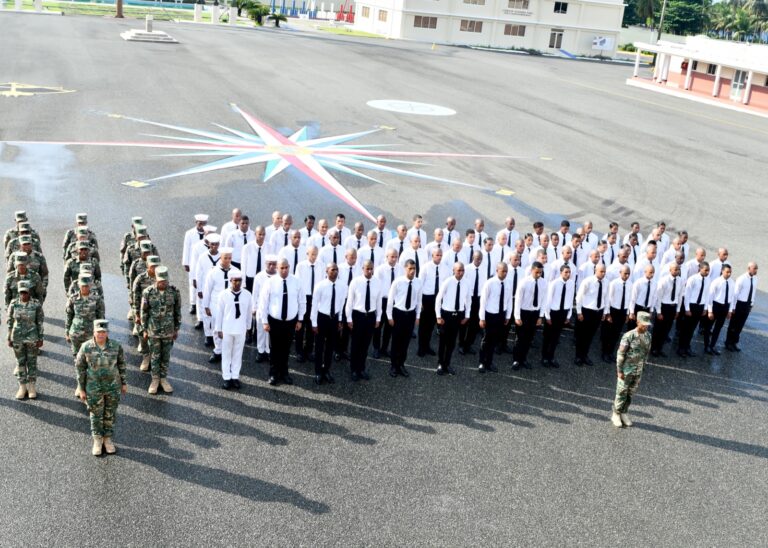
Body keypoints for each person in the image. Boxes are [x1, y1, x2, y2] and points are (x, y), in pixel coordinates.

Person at [76, 320, 127, 456]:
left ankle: (107, 439)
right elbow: (80, 368)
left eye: (103, 332)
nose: (101, 334)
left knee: (110, 413)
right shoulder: (86, 347)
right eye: (99, 332)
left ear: (107, 333)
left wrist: (124, 383)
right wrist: (81, 388)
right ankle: (97, 440)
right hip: (94, 387)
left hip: (112, 387)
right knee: (96, 414)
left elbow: (121, 365)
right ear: (94, 332)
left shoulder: (116, 346)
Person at [259, 258, 305, 386]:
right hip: (275, 321)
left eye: (286, 267)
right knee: (275, 348)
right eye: (281, 268)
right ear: (276, 268)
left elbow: (302, 301)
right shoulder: (270, 282)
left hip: (291, 322)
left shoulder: (296, 282)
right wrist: (264, 321)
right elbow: (263, 302)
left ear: (289, 267)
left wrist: (300, 319)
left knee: (286, 348)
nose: (284, 270)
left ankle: (284, 372)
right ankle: (273, 374)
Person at [141, 266, 181, 395]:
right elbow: (144, 312)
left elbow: (177, 312)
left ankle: (163, 379)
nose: (163, 283)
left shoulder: (174, 292)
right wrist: (144, 329)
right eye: (160, 281)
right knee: (155, 356)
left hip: (168, 330)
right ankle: (155, 379)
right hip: (153, 330)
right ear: (155, 280)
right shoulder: (148, 292)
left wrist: (176, 329)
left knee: (165, 356)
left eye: (165, 281)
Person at [65, 275, 105, 398]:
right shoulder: (73, 299)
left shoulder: (97, 299)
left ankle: (92, 384)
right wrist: (67, 331)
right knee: (78, 361)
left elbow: (101, 318)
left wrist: (101, 336)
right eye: (83, 286)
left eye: (87, 286)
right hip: (76, 334)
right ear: (79, 286)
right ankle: (80, 385)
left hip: (91, 334)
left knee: (92, 360)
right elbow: (69, 316)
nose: (85, 288)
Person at [611, 311, 652, 428]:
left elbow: (646, 353)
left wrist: (643, 366)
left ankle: (624, 412)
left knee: (631, 393)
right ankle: (616, 413)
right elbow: (620, 354)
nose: (646, 326)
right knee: (621, 392)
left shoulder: (648, 336)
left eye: (647, 325)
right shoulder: (628, 336)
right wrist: (619, 370)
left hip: (638, 370)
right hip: (626, 370)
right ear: (637, 322)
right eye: (644, 324)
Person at [345, 260, 383, 381]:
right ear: (362, 268)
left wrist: (378, 318)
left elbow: (378, 302)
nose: (370, 271)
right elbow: (349, 302)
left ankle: (361, 368)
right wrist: (349, 318)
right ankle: (354, 369)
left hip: (370, 316)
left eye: (371, 268)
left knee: (365, 345)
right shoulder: (355, 282)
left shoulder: (377, 282)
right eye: (367, 268)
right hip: (358, 315)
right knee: (356, 344)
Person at [6, 281, 44, 400]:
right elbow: (10, 322)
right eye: (21, 292)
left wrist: (40, 338)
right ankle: (22, 387)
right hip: (17, 337)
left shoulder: (36, 304)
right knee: (20, 363)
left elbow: (40, 322)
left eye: (25, 292)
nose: (23, 295)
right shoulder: (14, 304)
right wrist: (9, 337)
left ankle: (32, 386)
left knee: (32, 363)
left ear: (29, 292)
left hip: (32, 338)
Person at [202, 247, 240, 363]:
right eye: (225, 258)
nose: (228, 260)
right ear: (220, 258)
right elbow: (207, 290)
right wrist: (206, 306)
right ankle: (218, 350)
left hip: (230, 304)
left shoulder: (236, 271)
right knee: (217, 328)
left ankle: (228, 351)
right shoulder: (213, 272)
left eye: (229, 258)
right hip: (216, 304)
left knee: (229, 328)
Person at [216, 272, 252, 389]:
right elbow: (219, 313)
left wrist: (248, 328)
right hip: (227, 329)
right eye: (234, 280)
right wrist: (219, 329)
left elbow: (248, 313)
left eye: (239, 280)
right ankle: (226, 377)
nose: (237, 283)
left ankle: (235, 376)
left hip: (240, 329)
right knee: (226, 354)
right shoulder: (223, 295)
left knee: (237, 354)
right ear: (230, 280)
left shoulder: (247, 294)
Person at [387, 259, 422, 377]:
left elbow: (418, 300)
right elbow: (390, 300)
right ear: (405, 268)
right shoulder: (398, 282)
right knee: (396, 341)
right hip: (399, 314)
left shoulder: (418, 282)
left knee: (406, 342)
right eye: (410, 269)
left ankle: (401, 364)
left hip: (410, 314)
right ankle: (393, 365)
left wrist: (417, 316)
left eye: (414, 269)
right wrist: (389, 316)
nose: (412, 271)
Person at [435, 262, 471, 376]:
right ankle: (440, 363)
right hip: (446, 315)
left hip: (458, 315)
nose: (460, 273)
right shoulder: (448, 282)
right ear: (453, 270)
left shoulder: (466, 283)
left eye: (462, 270)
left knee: (452, 342)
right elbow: (438, 299)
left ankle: (447, 363)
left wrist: (467, 315)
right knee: (443, 341)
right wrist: (438, 316)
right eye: (458, 270)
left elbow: (468, 300)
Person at [311, 263, 343, 384]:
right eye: (332, 269)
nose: (335, 272)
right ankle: (318, 372)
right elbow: (314, 305)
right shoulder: (320, 286)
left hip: (334, 319)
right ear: (326, 271)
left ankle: (327, 370)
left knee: (330, 347)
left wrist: (340, 320)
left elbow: (340, 304)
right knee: (319, 347)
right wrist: (314, 323)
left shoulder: (341, 286)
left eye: (336, 269)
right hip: (322, 318)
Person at [478, 262, 512, 373]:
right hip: (490, 315)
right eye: (503, 271)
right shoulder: (490, 283)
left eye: (506, 271)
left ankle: (489, 362)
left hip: (501, 314)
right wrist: (482, 318)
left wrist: (508, 315)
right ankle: (482, 362)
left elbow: (509, 300)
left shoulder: (508, 283)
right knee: (486, 339)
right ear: (497, 270)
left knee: (494, 340)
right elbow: (483, 301)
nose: (505, 273)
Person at [513, 261, 547, 369]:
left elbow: (543, 300)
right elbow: (518, 300)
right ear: (532, 270)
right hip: (524, 313)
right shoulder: (524, 282)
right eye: (537, 272)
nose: (539, 275)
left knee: (529, 338)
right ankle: (516, 360)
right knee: (520, 338)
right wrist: (517, 316)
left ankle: (524, 359)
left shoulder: (544, 283)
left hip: (535, 314)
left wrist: (540, 316)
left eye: (540, 273)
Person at [574, 263, 609, 366]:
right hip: (587, 312)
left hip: (598, 312)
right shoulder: (587, 281)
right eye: (601, 271)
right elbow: (579, 297)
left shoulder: (606, 282)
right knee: (582, 336)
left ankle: (585, 355)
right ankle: (578, 356)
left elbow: (606, 298)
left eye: (604, 272)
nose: (603, 274)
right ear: (595, 270)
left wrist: (605, 312)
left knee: (590, 336)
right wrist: (579, 312)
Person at [295, 245, 324, 362]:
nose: (314, 257)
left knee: (312, 325)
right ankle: (299, 351)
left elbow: (322, 282)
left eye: (315, 254)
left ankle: (309, 350)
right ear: (307, 254)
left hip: (315, 297)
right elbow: (297, 283)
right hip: (303, 297)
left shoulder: (321, 266)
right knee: (300, 326)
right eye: (312, 254)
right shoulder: (300, 266)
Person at [132, 256, 161, 370]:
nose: (154, 269)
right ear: (147, 266)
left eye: (156, 266)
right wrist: (137, 314)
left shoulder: (161, 279)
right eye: (152, 266)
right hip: (143, 311)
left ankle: (155, 358)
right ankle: (146, 356)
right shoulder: (140, 279)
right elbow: (135, 298)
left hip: (156, 314)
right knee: (142, 335)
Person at [542, 264, 574, 368]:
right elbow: (548, 300)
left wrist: (568, 315)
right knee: (548, 336)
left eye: (569, 272)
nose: (568, 274)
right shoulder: (554, 283)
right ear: (561, 273)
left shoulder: (571, 283)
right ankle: (544, 357)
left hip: (563, 312)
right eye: (566, 272)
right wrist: (547, 316)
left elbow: (570, 299)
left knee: (556, 337)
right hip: (553, 312)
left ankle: (551, 356)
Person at [372, 248, 402, 359]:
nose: (394, 259)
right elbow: (376, 286)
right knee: (378, 325)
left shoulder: (400, 269)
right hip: (382, 300)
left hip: (394, 301)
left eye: (396, 257)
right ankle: (376, 348)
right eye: (392, 256)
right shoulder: (380, 269)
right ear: (387, 257)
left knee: (390, 326)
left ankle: (384, 348)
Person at [677, 262, 710, 358]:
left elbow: (707, 295)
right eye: (705, 270)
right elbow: (687, 295)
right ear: (700, 269)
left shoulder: (708, 280)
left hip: (700, 306)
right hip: (691, 305)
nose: (707, 272)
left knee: (692, 329)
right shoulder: (693, 279)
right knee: (685, 328)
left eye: (708, 270)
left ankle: (687, 347)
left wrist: (705, 308)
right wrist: (687, 309)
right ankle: (681, 348)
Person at [725, 262, 759, 352]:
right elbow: (735, 294)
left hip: (747, 305)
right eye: (754, 268)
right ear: (749, 268)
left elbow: (753, 292)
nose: (756, 270)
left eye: (756, 268)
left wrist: (751, 304)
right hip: (739, 304)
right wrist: (733, 307)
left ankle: (734, 343)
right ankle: (728, 342)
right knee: (733, 325)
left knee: (740, 325)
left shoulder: (755, 279)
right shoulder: (741, 279)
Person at [651, 263, 682, 357]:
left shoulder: (680, 281)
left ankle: (660, 348)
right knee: (658, 329)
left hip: (673, 307)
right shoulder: (664, 281)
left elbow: (680, 295)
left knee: (667, 329)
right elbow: (658, 297)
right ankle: (653, 348)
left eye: (678, 269)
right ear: (670, 270)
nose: (677, 271)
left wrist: (678, 310)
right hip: (664, 307)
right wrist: (659, 312)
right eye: (675, 269)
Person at [251, 255, 278, 363]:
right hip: (261, 308)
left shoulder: (279, 276)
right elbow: (255, 293)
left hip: (274, 309)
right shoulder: (259, 276)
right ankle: (260, 351)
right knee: (261, 330)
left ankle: (269, 351)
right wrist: (254, 307)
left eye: (274, 264)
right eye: (269, 264)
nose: (272, 266)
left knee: (271, 332)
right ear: (265, 264)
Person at [601, 265, 631, 362]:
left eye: (628, 274)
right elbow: (608, 299)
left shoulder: (630, 284)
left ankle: (611, 352)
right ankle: (605, 353)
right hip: (613, 311)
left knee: (616, 334)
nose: (627, 276)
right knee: (608, 333)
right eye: (625, 273)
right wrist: (608, 313)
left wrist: (627, 313)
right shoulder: (614, 283)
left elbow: (629, 300)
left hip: (622, 311)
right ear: (620, 273)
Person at [705, 263, 735, 355]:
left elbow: (732, 297)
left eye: (730, 272)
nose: (729, 274)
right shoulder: (716, 282)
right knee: (709, 327)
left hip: (725, 307)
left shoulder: (732, 282)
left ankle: (712, 346)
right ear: (722, 271)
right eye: (727, 272)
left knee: (718, 328)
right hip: (716, 306)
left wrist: (730, 310)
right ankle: (706, 347)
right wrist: (710, 311)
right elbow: (710, 297)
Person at [182, 213, 209, 314]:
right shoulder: (189, 233)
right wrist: (186, 263)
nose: (201, 226)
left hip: (206, 263)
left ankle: (203, 304)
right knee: (193, 284)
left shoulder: (209, 235)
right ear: (196, 223)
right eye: (199, 223)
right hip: (194, 262)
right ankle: (193, 304)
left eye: (203, 224)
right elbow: (186, 248)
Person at [241, 225, 269, 294]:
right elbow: (243, 265)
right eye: (259, 234)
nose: (262, 236)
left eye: (263, 234)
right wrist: (243, 282)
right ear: (255, 234)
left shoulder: (269, 247)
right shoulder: (247, 247)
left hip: (263, 278)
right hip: (250, 278)